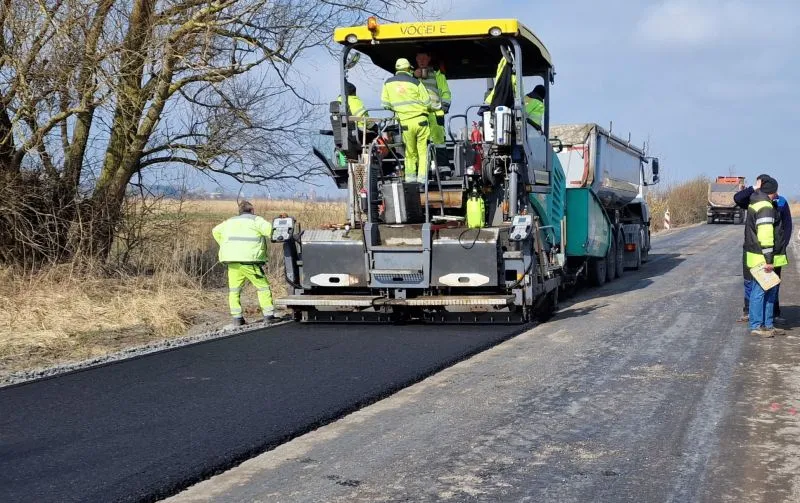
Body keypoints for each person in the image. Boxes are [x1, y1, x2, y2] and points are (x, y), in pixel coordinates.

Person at [734, 174, 792, 322]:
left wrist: (782, 245)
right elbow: (737, 198)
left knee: (772, 283)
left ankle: (773, 314)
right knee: (751, 283)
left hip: (773, 251)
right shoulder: (754, 199)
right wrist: (754, 188)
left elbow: (787, 225)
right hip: (754, 250)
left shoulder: (781, 201)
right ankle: (750, 312)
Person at [212, 200, 275, 326]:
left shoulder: (229, 222)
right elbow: (271, 232)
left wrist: (224, 244)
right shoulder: (257, 220)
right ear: (252, 210)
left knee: (234, 290)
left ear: (239, 211)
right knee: (263, 287)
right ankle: (269, 316)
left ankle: (237, 318)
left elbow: (215, 231)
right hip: (250, 261)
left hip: (232, 261)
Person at [744, 177, 788, 337]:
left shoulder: (759, 203)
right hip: (763, 258)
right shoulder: (765, 207)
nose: (777, 193)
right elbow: (766, 236)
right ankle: (756, 326)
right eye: (776, 190)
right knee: (760, 292)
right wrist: (769, 260)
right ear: (772, 191)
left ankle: (768, 325)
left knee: (770, 291)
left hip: (762, 256)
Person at [382, 58, 433, 184]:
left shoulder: (387, 83)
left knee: (410, 152)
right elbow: (427, 102)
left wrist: (399, 108)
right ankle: (423, 181)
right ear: (408, 69)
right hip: (421, 121)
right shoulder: (416, 82)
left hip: (405, 123)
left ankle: (410, 180)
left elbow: (385, 104)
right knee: (423, 152)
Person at [413, 48, 451, 146]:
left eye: (424, 58)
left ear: (429, 59)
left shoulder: (437, 74)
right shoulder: (411, 75)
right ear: (416, 59)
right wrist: (413, 75)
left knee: (439, 140)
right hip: (419, 113)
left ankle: (440, 156)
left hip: (436, 113)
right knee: (421, 141)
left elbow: (445, 91)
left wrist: (445, 105)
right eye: (419, 58)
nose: (421, 61)